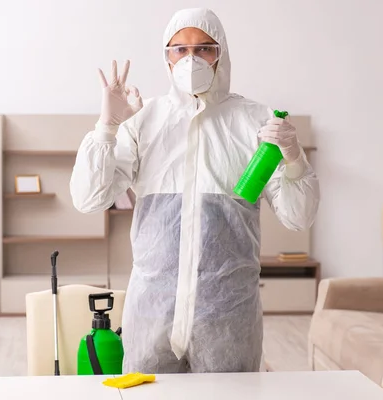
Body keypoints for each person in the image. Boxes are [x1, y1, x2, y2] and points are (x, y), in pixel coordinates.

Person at [70, 8, 319, 374]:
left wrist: (294, 158)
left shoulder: (254, 120)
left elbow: (298, 218)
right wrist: (108, 127)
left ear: (221, 53)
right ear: (166, 57)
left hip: (228, 318)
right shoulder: (145, 118)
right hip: (153, 315)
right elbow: (89, 198)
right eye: (179, 49)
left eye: (203, 48)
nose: (191, 59)